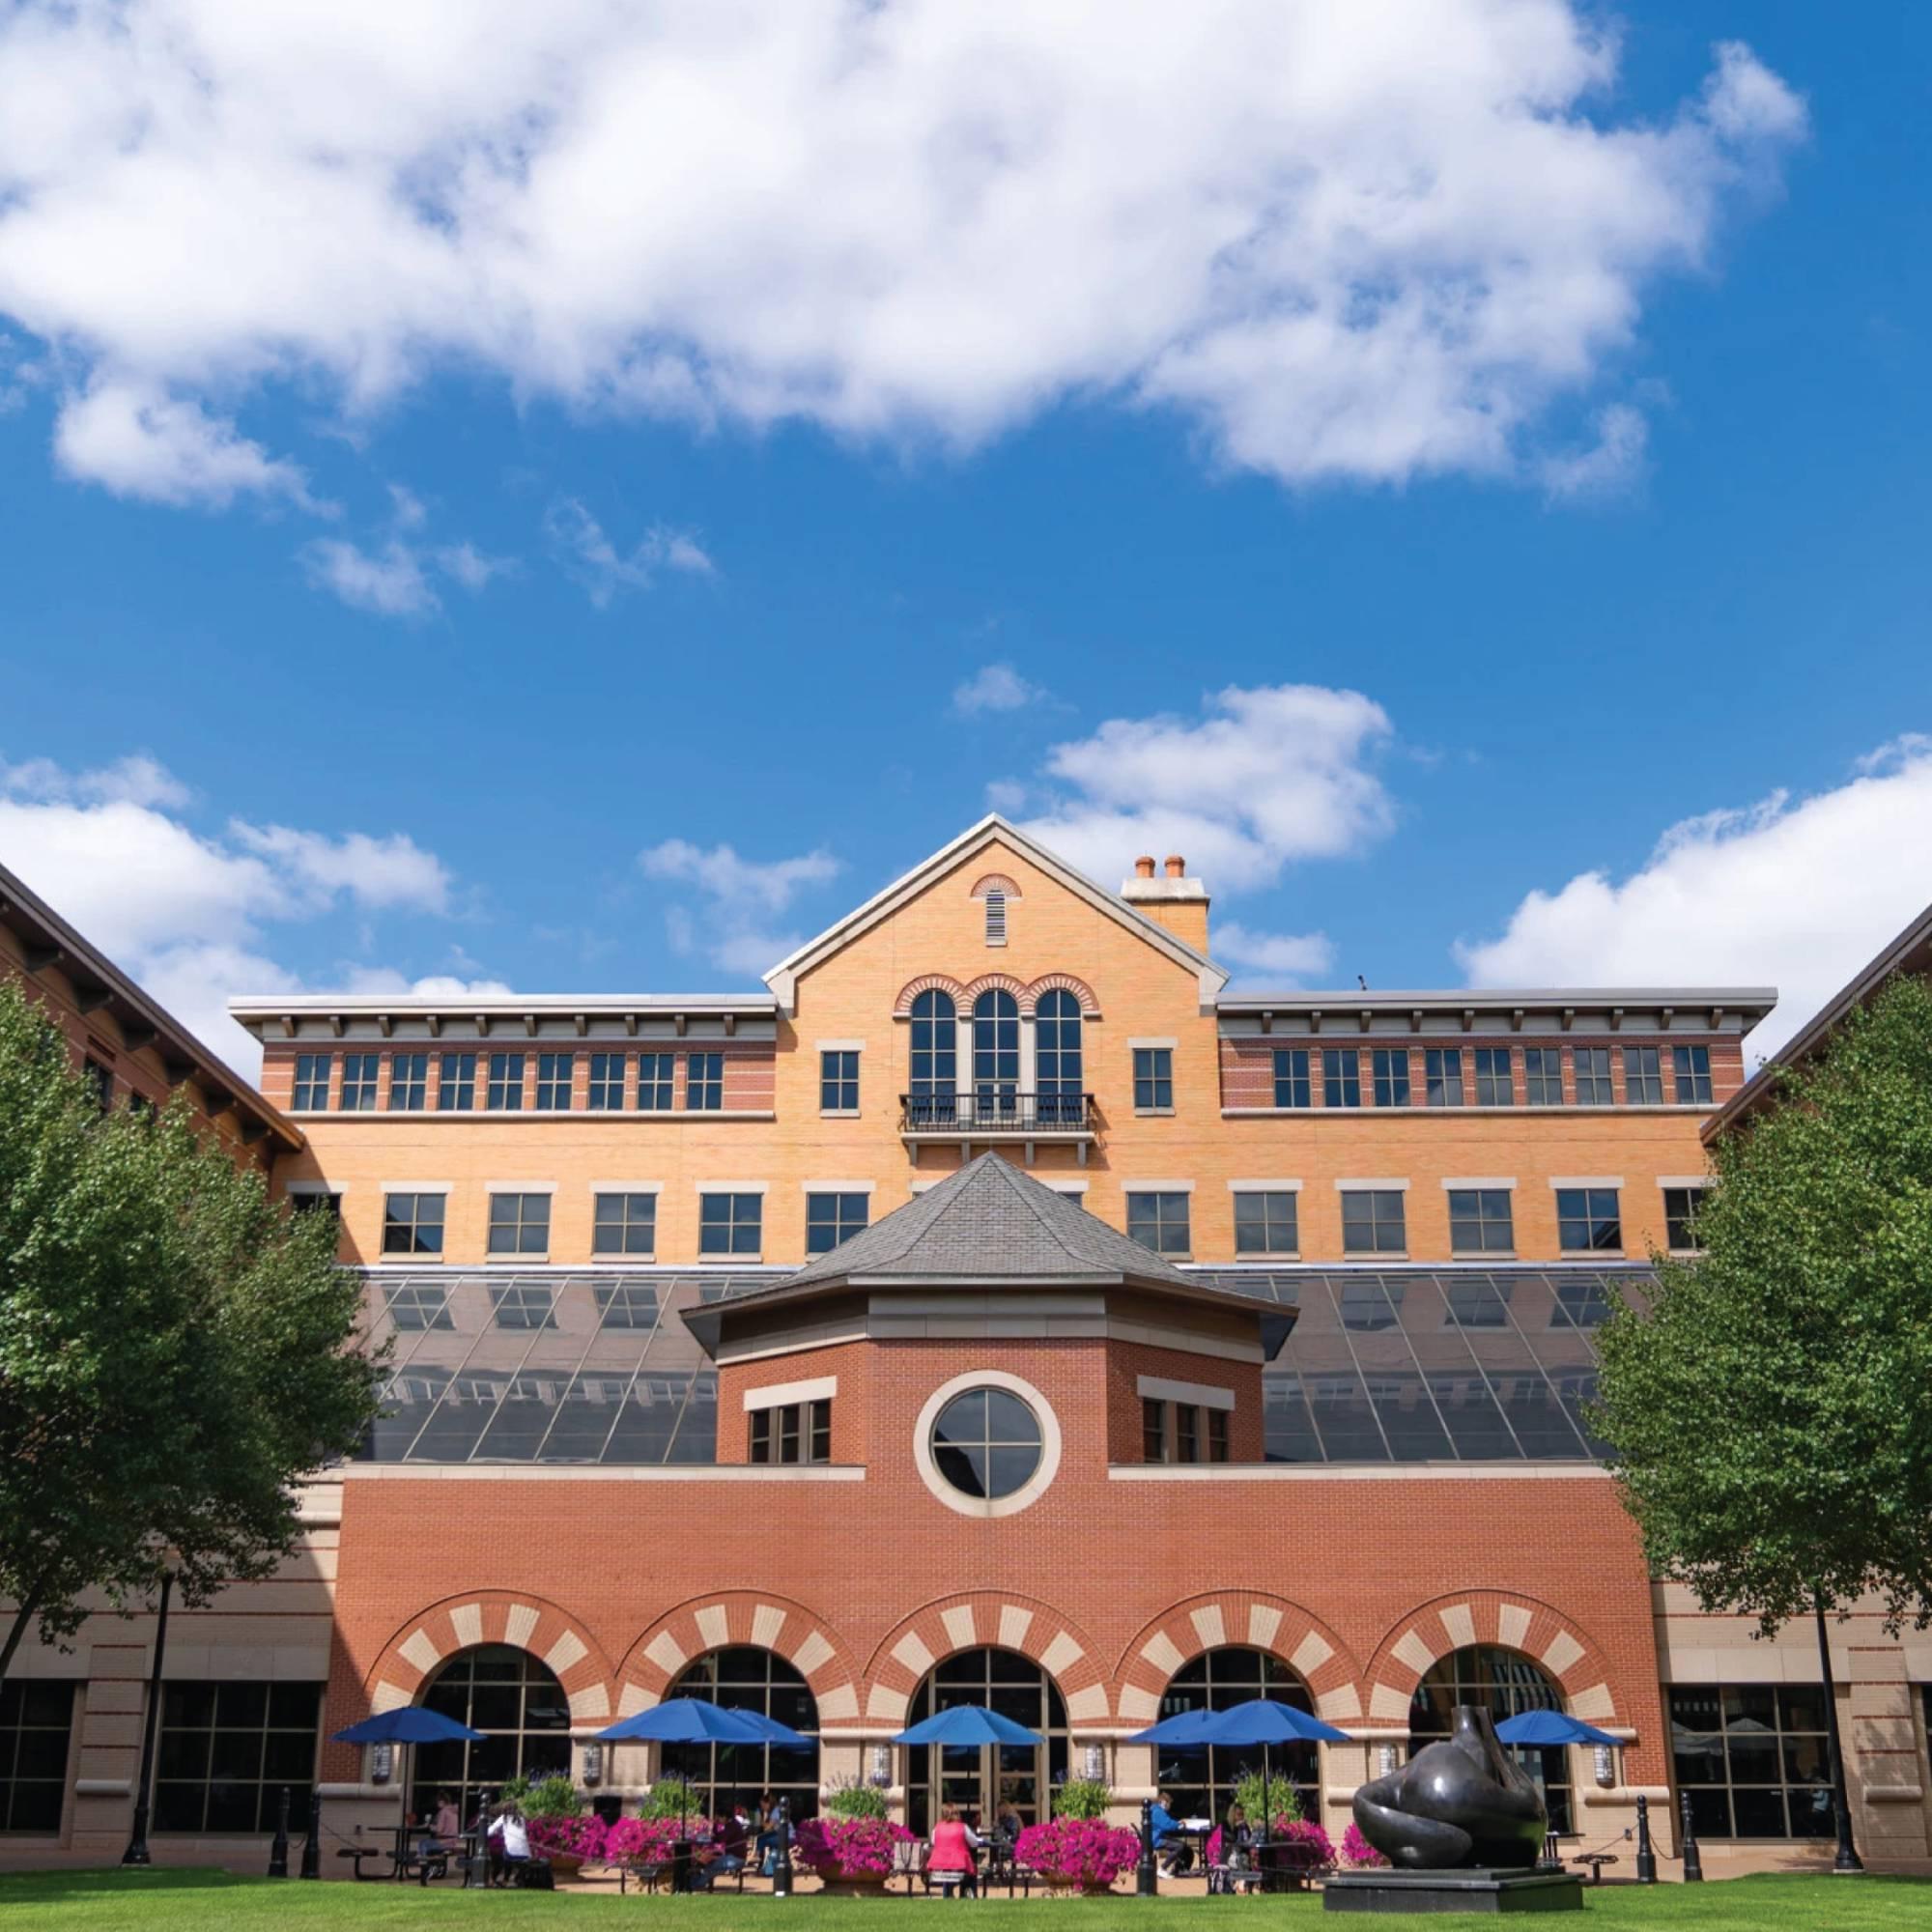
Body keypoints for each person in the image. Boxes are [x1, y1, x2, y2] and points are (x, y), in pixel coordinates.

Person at [928, 1803, 980, 1897]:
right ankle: (966, 1896)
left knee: (947, 1871)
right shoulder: (963, 1827)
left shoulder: (936, 1828)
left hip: (939, 1867)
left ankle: (947, 1895)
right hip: (959, 1866)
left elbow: (933, 1842)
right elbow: (974, 1843)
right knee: (971, 1873)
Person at [695, 1802, 750, 1889]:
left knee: (712, 1866)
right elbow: (717, 1838)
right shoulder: (731, 1824)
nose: (718, 1820)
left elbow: (720, 1839)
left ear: (724, 1816)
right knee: (710, 1863)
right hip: (731, 1856)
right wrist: (716, 1825)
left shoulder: (732, 1826)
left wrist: (715, 1824)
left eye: (718, 1818)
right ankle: (696, 1882)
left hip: (736, 1859)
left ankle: (695, 1884)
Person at [1149, 1788, 1188, 1874]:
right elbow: (1167, 1825)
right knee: (1179, 1846)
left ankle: (1177, 1869)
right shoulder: (1158, 1812)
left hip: (1155, 1837)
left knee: (1177, 1843)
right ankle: (1162, 1868)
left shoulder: (1155, 1809)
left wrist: (1177, 1823)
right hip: (1156, 1839)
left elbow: (1167, 1822)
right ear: (1164, 1802)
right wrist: (1178, 1824)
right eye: (1169, 1803)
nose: (1169, 1806)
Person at [497, 1802, 532, 1888]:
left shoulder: (503, 1818)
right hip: (526, 1854)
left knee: (506, 1858)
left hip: (511, 1852)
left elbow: (489, 1831)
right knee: (520, 1863)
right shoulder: (521, 1819)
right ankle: (520, 1879)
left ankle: (505, 1880)